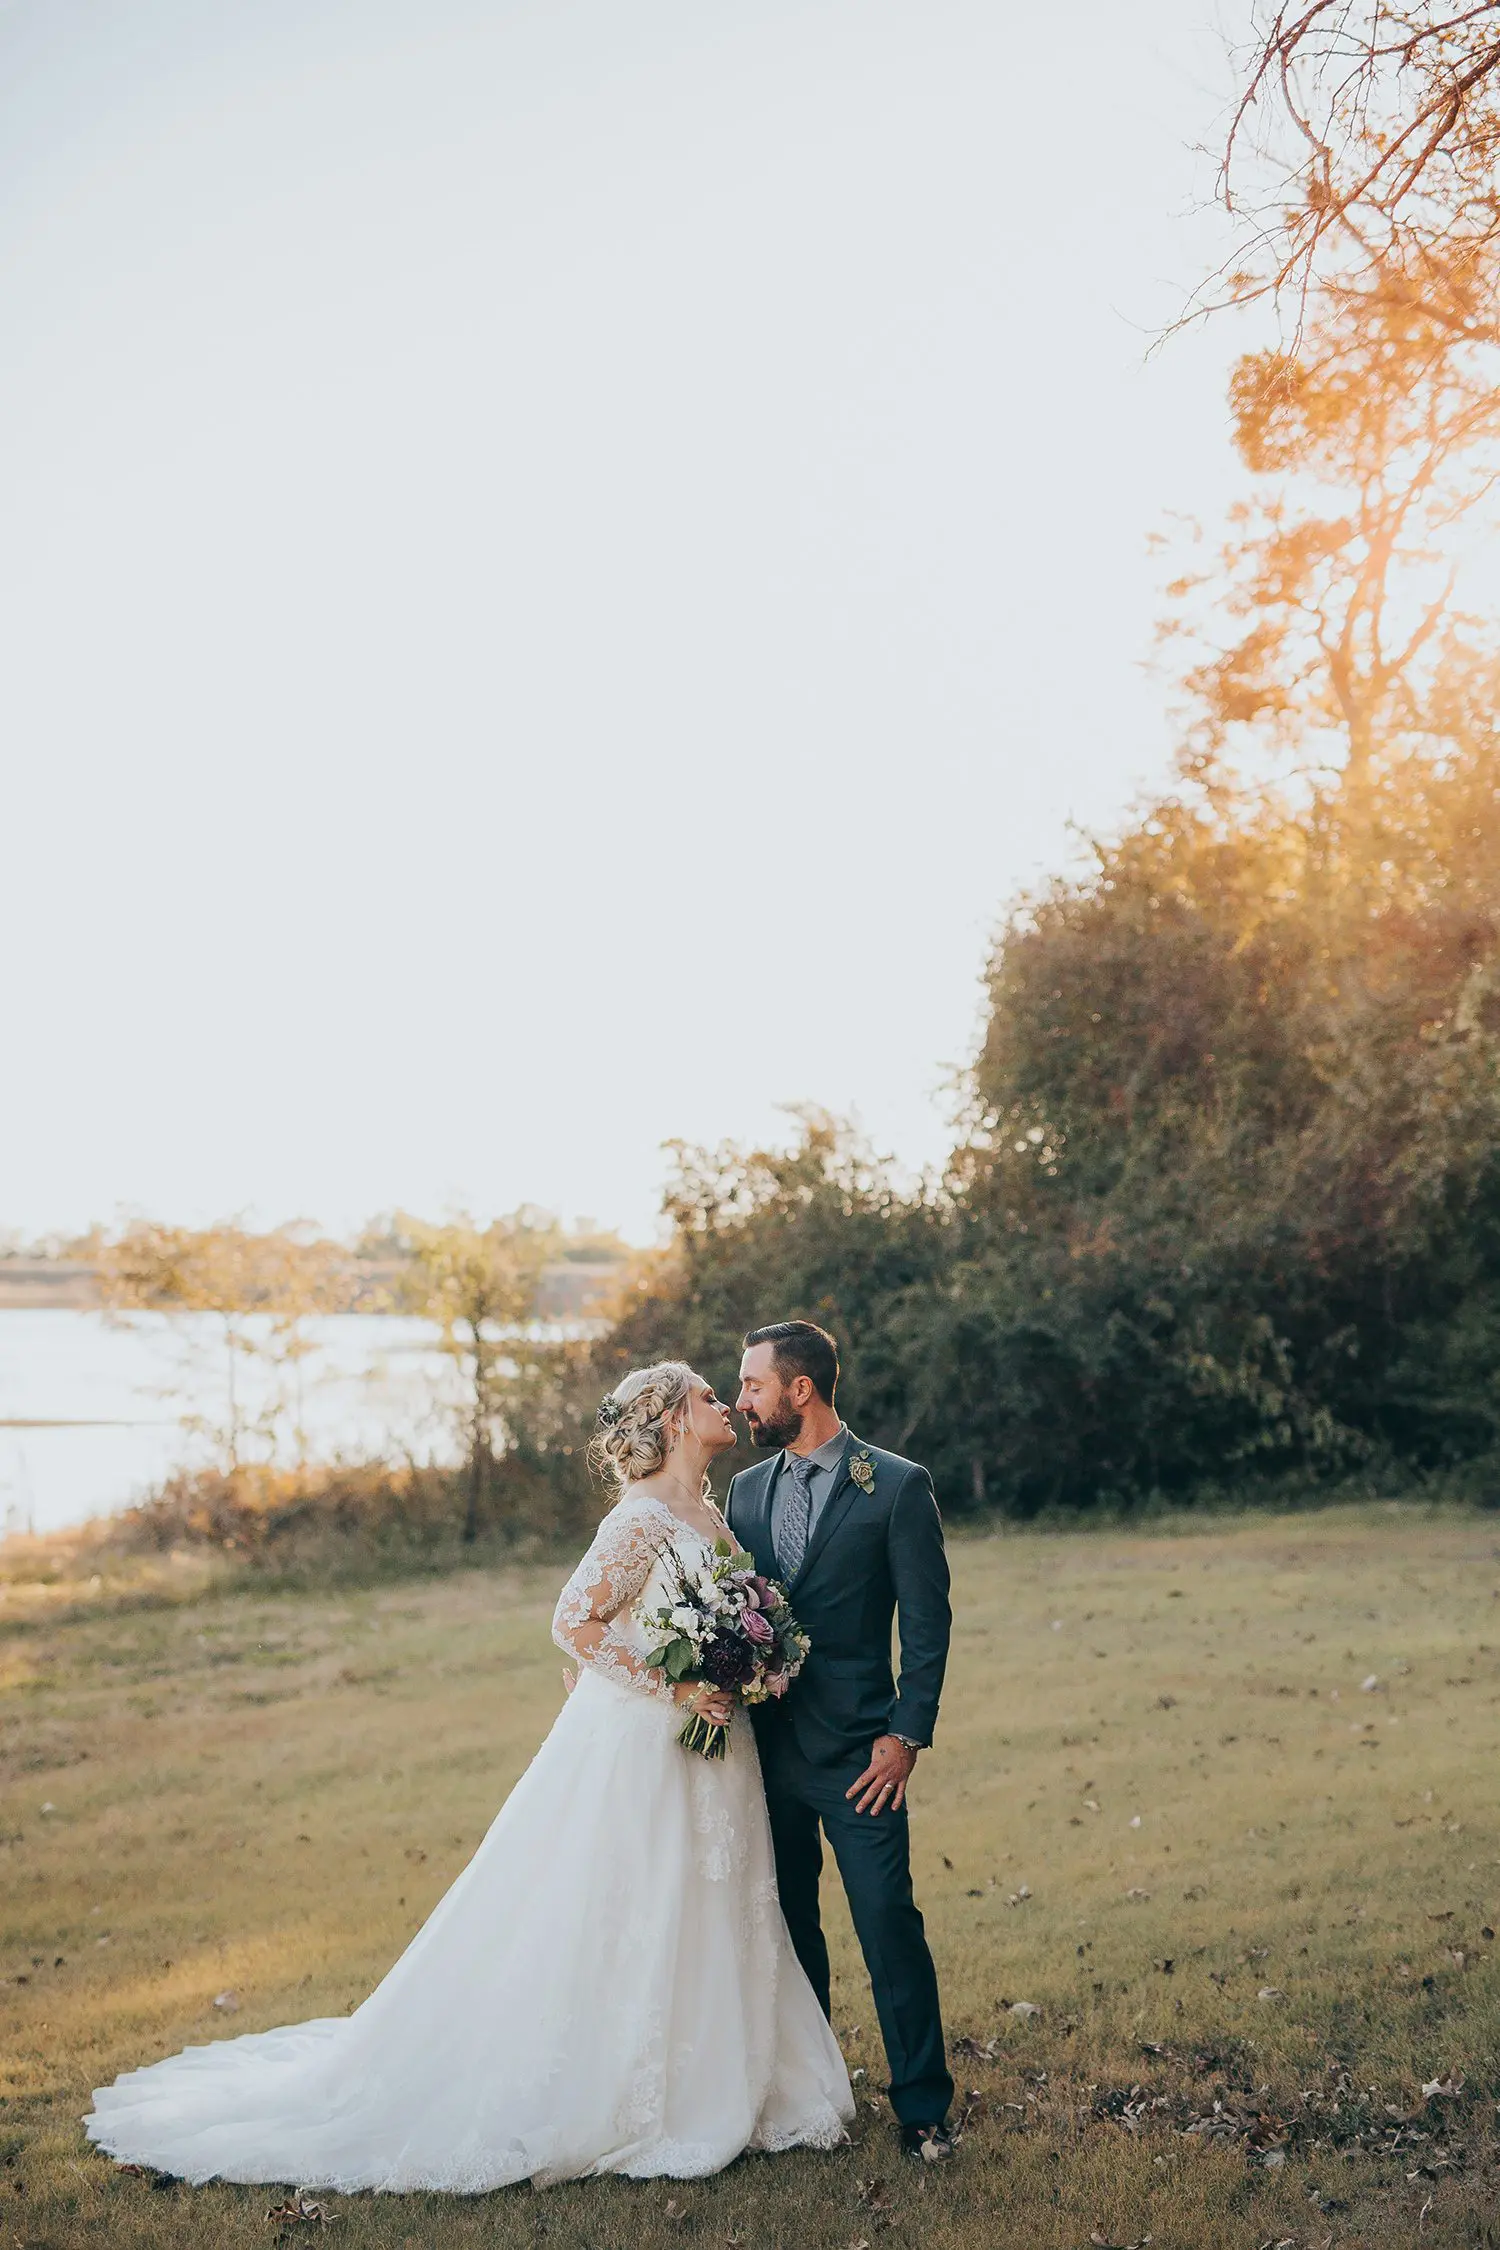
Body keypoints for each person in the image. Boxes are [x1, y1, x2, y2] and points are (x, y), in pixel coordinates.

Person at [84, 1363, 853, 2191]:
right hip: (654, 1740)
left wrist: (749, 1663)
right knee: (641, 1898)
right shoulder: (640, 1519)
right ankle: (632, 2092)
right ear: (670, 1422)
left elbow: (738, 1613)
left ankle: (726, 2077)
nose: (723, 1403)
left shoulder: (707, 1509)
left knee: (713, 1899)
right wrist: (677, 1684)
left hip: (715, 1739)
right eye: (706, 1394)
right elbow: (573, 1621)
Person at [727, 1320, 954, 2162]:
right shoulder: (745, 1492)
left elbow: (928, 1623)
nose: (741, 1400)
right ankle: (815, 2095)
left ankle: (924, 2108)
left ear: (801, 1389)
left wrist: (906, 1736)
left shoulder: (894, 1486)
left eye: (752, 1386)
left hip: (864, 1757)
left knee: (887, 1920)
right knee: (789, 1928)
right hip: (767, 1754)